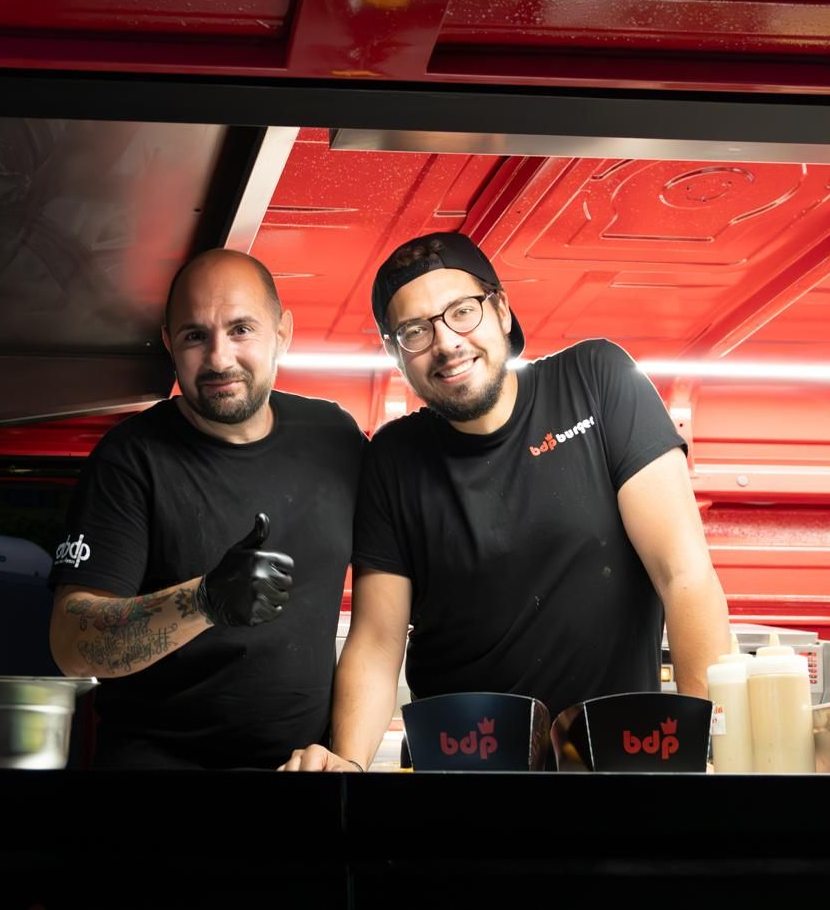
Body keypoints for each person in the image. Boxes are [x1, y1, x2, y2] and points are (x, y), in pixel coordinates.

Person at [281, 232, 730, 772]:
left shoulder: (596, 381)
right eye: (415, 331)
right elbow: (377, 644)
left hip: (615, 764)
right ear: (395, 354)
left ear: (501, 309)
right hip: (462, 775)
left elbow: (683, 575)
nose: (445, 342)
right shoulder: (393, 459)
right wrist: (348, 765)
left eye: (462, 312)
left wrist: (707, 746)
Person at [48, 249, 365, 769]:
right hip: (160, 789)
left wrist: (347, 758)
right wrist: (203, 600)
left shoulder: (335, 436)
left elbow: (380, 618)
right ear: (171, 343)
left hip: (301, 777)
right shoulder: (131, 456)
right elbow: (71, 643)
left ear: (282, 332)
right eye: (196, 335)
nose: (218, 358)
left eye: (241, 329)